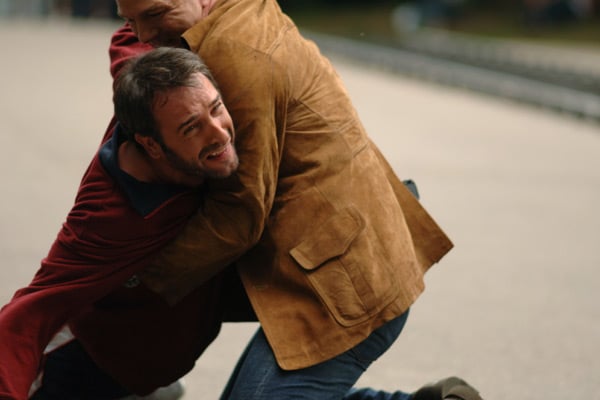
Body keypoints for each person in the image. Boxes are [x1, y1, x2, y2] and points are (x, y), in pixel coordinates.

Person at [103, 0, 483, 399]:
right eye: (130, 20)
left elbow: (238, 216)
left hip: (342, 284)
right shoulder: (237, 14)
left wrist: (139, 281)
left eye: (155, 15)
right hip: (335, 257)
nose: (142, 35)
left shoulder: (236, 54)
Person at [0, 48, 244, 399]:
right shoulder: (106, 217)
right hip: (91, 361)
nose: (219, 133)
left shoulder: (159, 82)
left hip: (170, 343)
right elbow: (27, 315)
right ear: (151, 145)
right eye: (192, 128)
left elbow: (132, 34)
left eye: (217, 108)